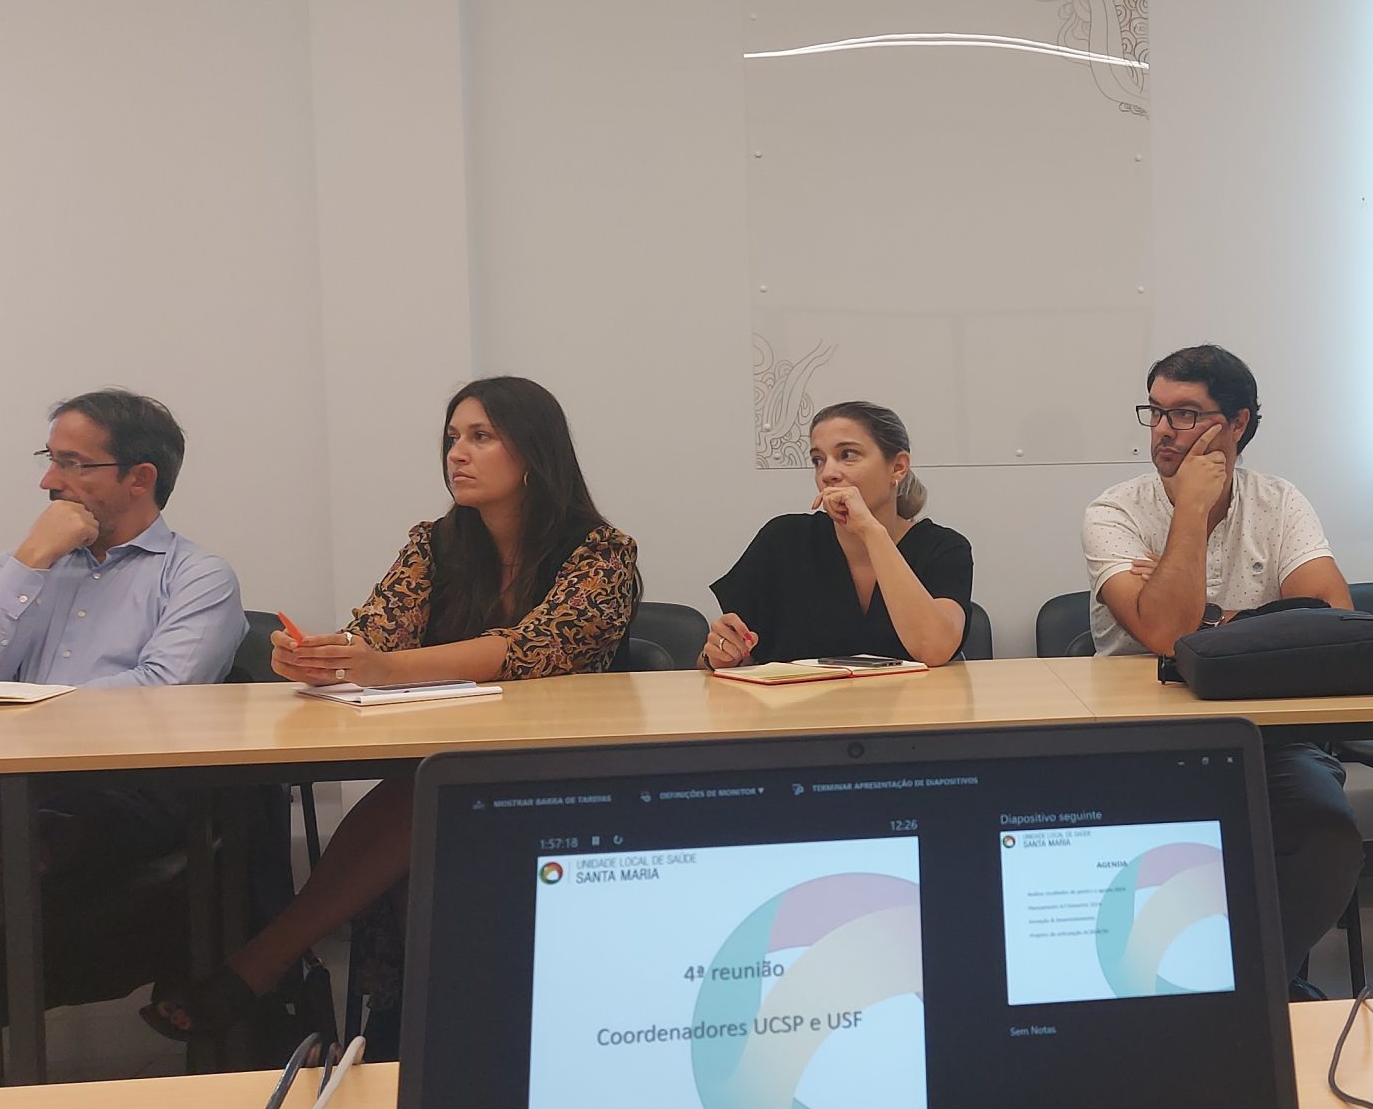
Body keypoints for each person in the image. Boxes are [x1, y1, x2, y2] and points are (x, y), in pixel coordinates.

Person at [143, 376, 638, 1040]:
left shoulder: (601, 551)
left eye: (481, 437)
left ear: (534, 452)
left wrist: (387, 668)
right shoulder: (435, 544)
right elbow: (376, 632)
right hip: (450, 764)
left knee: (428, 797)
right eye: (452, 438)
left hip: (567, 775)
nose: (457, 453)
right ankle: (404, 1033)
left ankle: (268, 967)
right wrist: (323, 657)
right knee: (431, 799)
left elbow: (535, 648)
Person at [0, 390, 244, 1090]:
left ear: (140, 477)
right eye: (50, 459)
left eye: (72, 464)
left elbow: (161, 695)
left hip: (120, 786)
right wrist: (31, 560)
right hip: (6, 787)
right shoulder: (22, 567)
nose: (48, 481)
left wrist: (30, 715)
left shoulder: (196, 577)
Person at [1082, 343, 1365, 978]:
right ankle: (1188, 987)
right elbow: (1164, 633)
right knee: (1165, 854)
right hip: (1140, 736)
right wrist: (1189, 509)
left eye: (1184, 414)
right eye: (1155, 411)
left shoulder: (1279, 503)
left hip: (1266, 731)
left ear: (1237, 423)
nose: (1163, 429)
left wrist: (1206, 621)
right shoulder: (1113, 512)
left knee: (1327, 836)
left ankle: (1263, 986)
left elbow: (1330, 613)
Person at [703, 402, 971, 668]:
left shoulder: (943, 547)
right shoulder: (783, 539)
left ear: (898, 467)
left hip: (913, 697)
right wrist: (719, 654)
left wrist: (870, 530)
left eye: (848, 455)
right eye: (818, 460)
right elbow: (725, 659)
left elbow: (934, 649)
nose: (828, 473)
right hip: (800, 697)